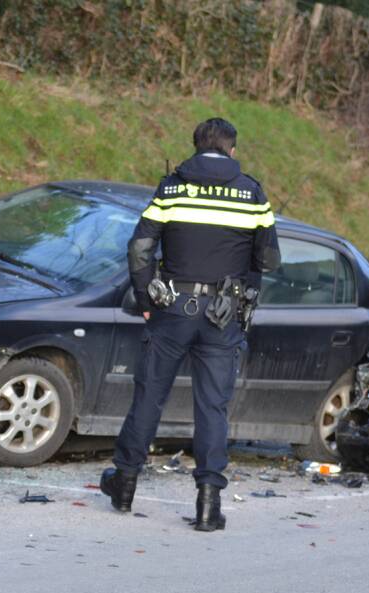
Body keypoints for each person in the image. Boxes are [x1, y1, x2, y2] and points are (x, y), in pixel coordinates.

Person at [99, 117, 280, 532]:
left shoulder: (172, 188)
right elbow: (270, 260)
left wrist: (146, 299)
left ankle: (124, 484)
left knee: (149, 396)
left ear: (196, 146)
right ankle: (208, 503)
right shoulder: (252, 193)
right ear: (232, 150)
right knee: (212, 406)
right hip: (223, 314)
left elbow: (140, 248)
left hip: (172, 309)